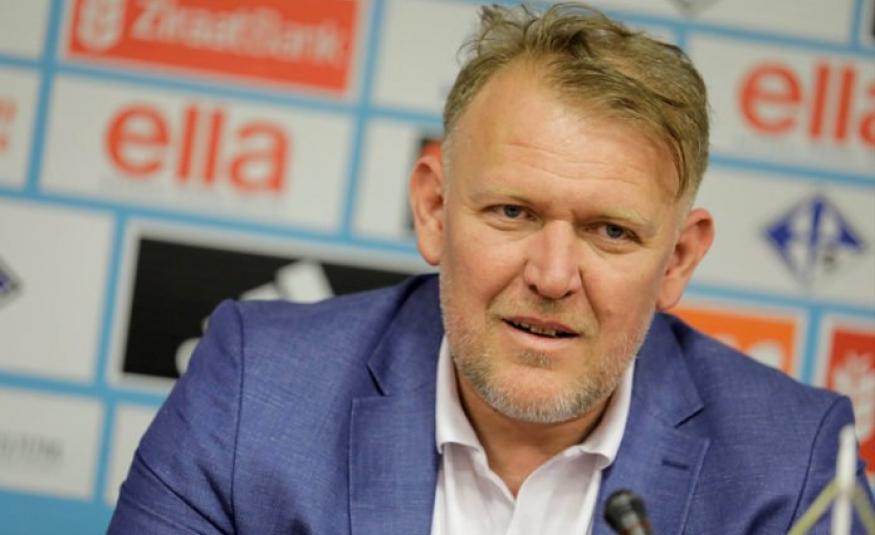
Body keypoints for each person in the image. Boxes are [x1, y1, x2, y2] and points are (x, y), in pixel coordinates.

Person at [108, 3, 873, 534]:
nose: (551, 274)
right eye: (512, 212)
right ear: (433, 209)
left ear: (677, 258)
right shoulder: (259, 386)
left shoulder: (790, 462)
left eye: (610, 231)